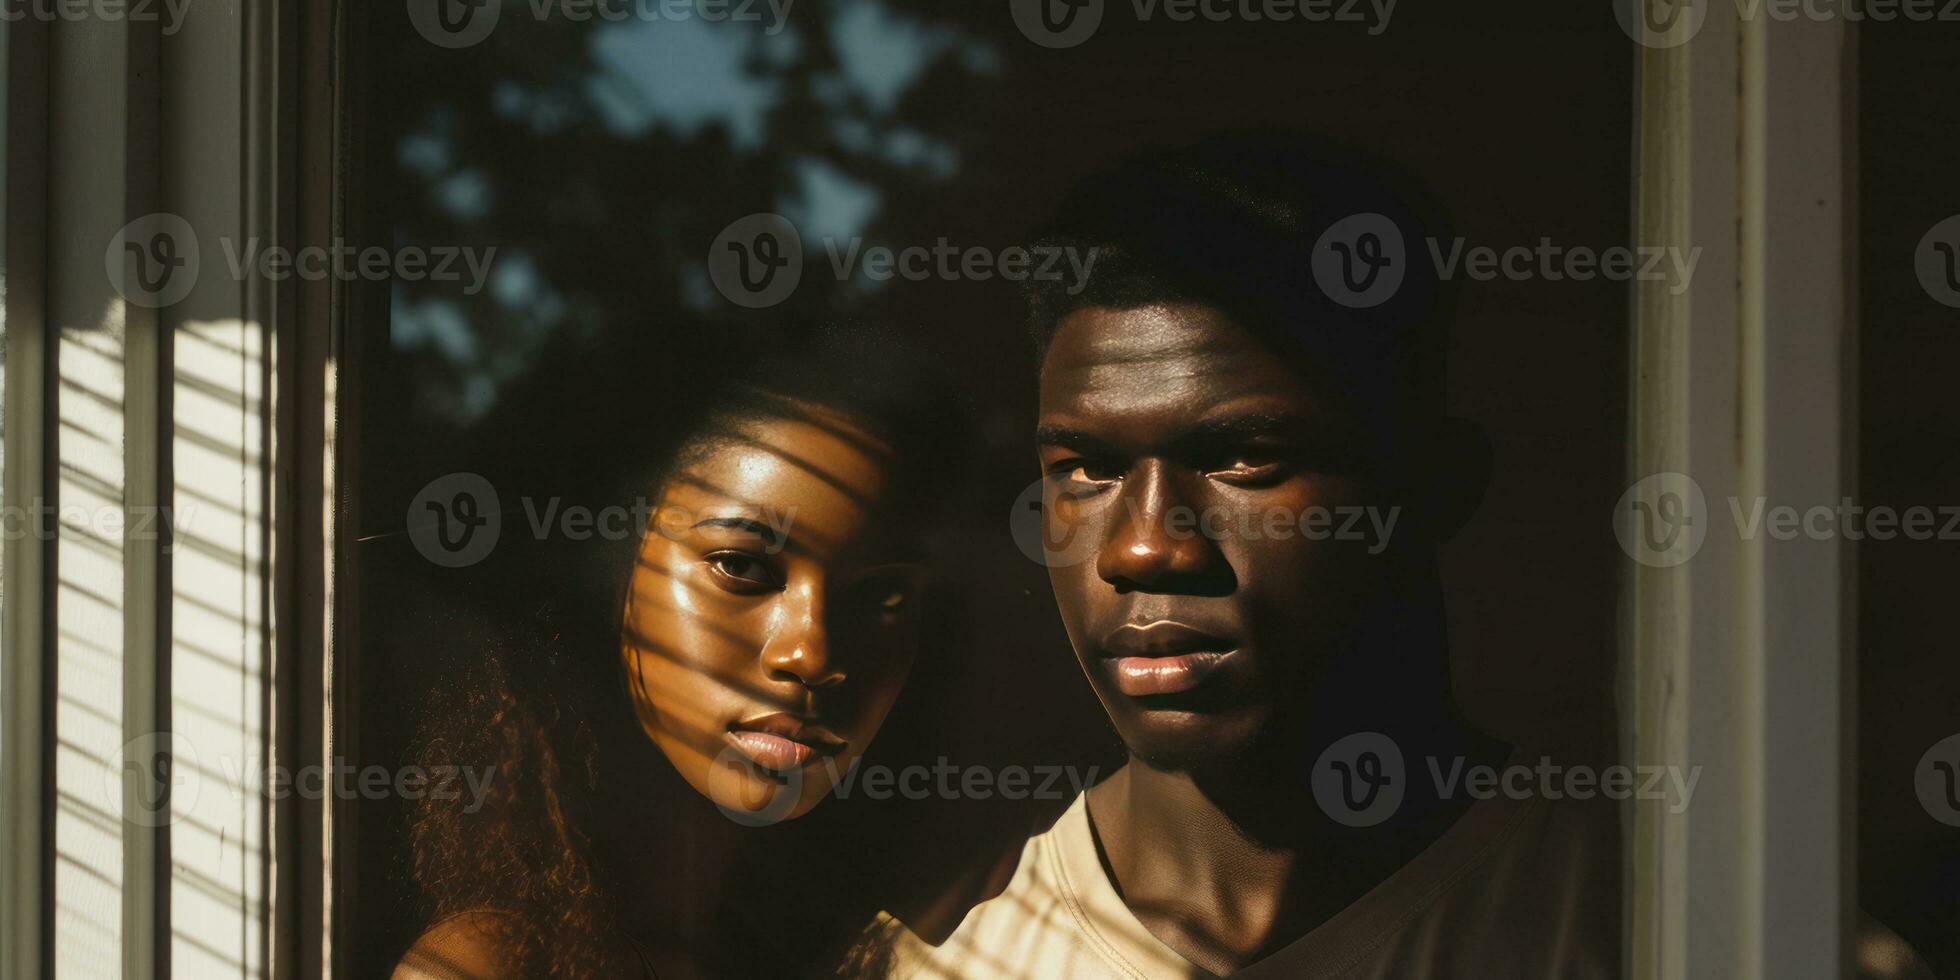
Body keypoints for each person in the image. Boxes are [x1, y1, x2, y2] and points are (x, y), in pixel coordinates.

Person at [392, 328, 954, 978]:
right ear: (612, 576)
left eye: (884, 591)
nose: (811, 651)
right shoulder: (494, 968)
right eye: (741, 566)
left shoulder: (877, 954)